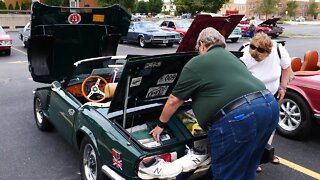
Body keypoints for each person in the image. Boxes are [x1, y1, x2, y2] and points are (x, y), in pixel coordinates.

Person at [150, 27, 279, 180]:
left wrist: (160, 125)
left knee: (227, 173)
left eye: (198, 48)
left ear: (202, 44)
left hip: (239, 117)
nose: (198, 51)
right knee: (248, 166)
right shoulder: (234, 58)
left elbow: (174, 100)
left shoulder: (197, 62)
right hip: (269, 106)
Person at [240, 32, 292, 172]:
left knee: (270, 124)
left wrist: (283, 86)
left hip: (272, 93)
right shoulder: (246, 53)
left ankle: (265, 153)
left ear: (269, 53)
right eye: (253, 56)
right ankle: (252, 158)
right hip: (251, 96)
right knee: (253, 127)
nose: (256, 58)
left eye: (259, 58)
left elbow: (286, 67)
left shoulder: (278, 50)